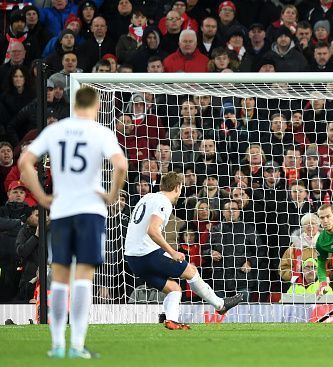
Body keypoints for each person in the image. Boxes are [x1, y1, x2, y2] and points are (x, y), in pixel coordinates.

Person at [18, 87, 129, 359]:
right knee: (83, 279)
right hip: (91, 211)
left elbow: (24, 162)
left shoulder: (56, 130)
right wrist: (113, 195)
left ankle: (57, 344)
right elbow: (121, 165)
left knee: (59, 277)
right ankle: (78, 345)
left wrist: (43, 197)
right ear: (97, 105)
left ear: (74, 102)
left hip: (62, 210)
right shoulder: (100, 132)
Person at [124, 172, 242, 330]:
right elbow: (152, 230)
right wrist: (172, 252)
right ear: (177, 187)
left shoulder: (148, 198)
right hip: (146, 253)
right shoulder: (163, 202)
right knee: (191, 271)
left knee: (174, 289)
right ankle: (220, 305)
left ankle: (171, 320)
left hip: (132, 258)